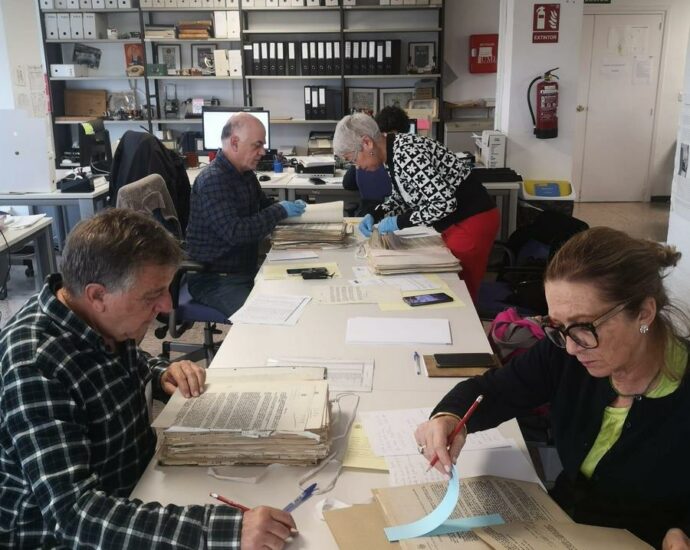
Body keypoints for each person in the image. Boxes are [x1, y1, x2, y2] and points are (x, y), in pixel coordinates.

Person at [0, 209, 296, 549]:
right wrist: (223, 532)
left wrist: (159, 373)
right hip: (65, 534)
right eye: (151, 295)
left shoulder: (100, 318)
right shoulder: (34, 364)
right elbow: (74, 516)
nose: (168, 306)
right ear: (97, 295)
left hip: (135, 489)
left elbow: (114, 361)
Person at [414, 227, 690, 550]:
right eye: (557, 327)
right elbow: (494, 391)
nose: (571, 348)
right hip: (558, 529)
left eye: (585, 327)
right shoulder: (566, 353)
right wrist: (449, 417)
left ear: (644, 312)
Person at [333, 112, 500, 304]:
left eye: (353, 158)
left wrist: (400, 221)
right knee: (448, 288)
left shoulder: (406, 153)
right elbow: (403, 196)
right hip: (454, 220)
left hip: (472, 220)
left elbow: (444, 203)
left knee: (459, 294)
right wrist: (376, 213)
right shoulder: (392, 150)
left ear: (367, 143)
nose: (357, 166)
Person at [186, 112, 307, 316]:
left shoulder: (245, 173)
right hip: (215, 278)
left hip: (242, 269)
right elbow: (236, 232)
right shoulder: (213, 180)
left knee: (298, 294)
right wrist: (280, 210)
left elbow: (262, 206)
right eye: (257, 145)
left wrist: (289, 210)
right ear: (235, 142)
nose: (262, 152)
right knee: (264, 318)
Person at [342, 106, 410, 217]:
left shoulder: (366, 152)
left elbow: (348, 184)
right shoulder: (398, 156)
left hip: (372, 212)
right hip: (392, 215)